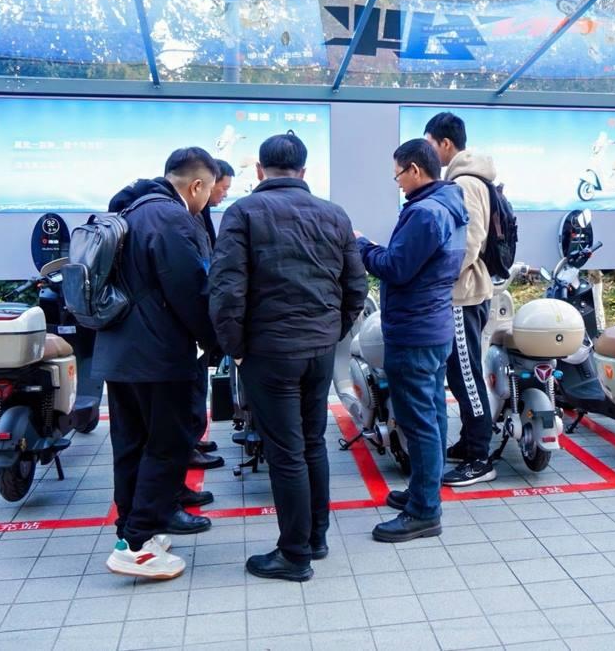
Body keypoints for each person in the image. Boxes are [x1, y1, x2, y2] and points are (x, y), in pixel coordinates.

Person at [209, 133, 367, 582]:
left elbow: (226, 290)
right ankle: (315, 538)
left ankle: (294, 555)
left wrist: (236, 349)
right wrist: (332, 331)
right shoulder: (334, 214)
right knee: (312, 442)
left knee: (285, 452)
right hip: (318, 349)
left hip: (270, 351)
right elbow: (356, 286)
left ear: (260, 170)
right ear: (304, 171)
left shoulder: (243, 212)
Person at [98, 147, 221, 580]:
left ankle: (132, 533)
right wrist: (216, 341)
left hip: (120, 352)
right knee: (169, 443)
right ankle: (137, 547)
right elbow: (191, 292)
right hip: (159, 355)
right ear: (197, 185)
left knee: (131, 444)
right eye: (209, 191)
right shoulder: (170, 218)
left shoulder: (130, 209)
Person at [357, 139, 468, 543]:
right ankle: (424, 491)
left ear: (415, 170)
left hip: (414, 331)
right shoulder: (451, 206)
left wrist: (362, 245)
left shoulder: (424, 213)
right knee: (433, 415)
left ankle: (424, 512)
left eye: (398, 175)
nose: (398, 183)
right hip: (434, 326)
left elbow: (396, 268)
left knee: (418, 422)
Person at [424, 112, 499, 487]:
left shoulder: (465, 182)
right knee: (460, 372)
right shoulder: (469, 179)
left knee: (465, 375)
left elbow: (470, 241)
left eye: (430, 144)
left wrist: (440, 276)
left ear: (446, 144)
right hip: (467, 292)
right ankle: (470, 442)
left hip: (463, 294)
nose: (427, 152)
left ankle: (480, 458)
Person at [186, 158, 237, 472]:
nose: (225, 195)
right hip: (192, 319)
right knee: (190, 382)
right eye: (223, 188)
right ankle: (187, 446)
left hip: (201, 315)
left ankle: (193, 437)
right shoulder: (186, 219)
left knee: (197, 380)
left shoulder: (199, 216)